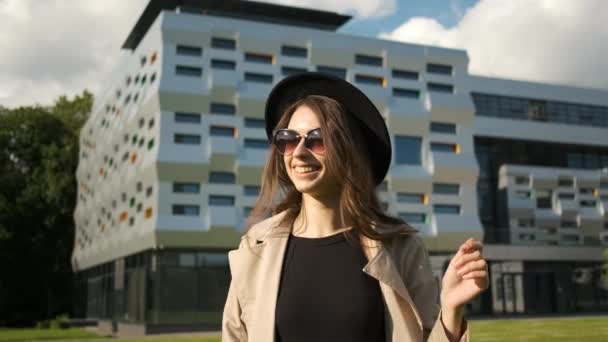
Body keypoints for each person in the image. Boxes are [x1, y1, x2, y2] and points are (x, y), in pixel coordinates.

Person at [222, 72, 488, 342]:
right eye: (289, 139)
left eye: (317, 139)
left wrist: (451, 310)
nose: (299, 152)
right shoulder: (256, 248)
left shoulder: (400, 248)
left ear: (349, 149)